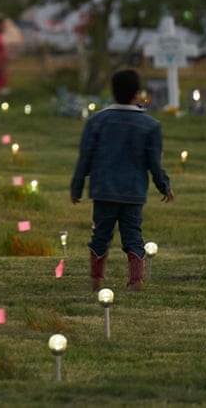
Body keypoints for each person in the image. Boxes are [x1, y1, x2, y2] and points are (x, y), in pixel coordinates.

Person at [70, 69, 174, 292]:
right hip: (133, 191)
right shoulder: (150, 126)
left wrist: (77, 186)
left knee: (100, 235)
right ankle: (135, 281)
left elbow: (85, 157)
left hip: (104, 190)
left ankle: (96, 279)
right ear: (138, 94)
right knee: (133, 235)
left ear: (113, 91)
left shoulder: (97, 121)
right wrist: (163, 184)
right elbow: (154, 162)